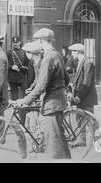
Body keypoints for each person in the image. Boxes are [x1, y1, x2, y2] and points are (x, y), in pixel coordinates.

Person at [14, 28, 71, 159]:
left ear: (41, 41)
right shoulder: (57, 54)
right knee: (61, 140)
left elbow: (41, 86)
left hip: (52, 104)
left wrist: (25, 100)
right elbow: (66, 79)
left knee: (53, 144)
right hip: (59, 102)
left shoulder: (48, 58)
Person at [67, 43, 98, 113]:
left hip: (86, 99)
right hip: (82, 98)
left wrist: (79, 96)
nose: (72, 54)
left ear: (77, 52)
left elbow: (86, 83)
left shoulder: (88, 63)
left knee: (88, 121)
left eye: (72, 52)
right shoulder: (81, 62)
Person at [6, 36, 30, 100]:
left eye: (17, 42)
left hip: (22, 76)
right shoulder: (9, 52)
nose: (15, 44)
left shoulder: (24, 52)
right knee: (14, 96)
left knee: (25, 94)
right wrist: (11, 67)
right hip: (13, 77)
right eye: (14, 42)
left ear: (20, 42)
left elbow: (28, 64)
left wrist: (24, 70)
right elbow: (5, 64)